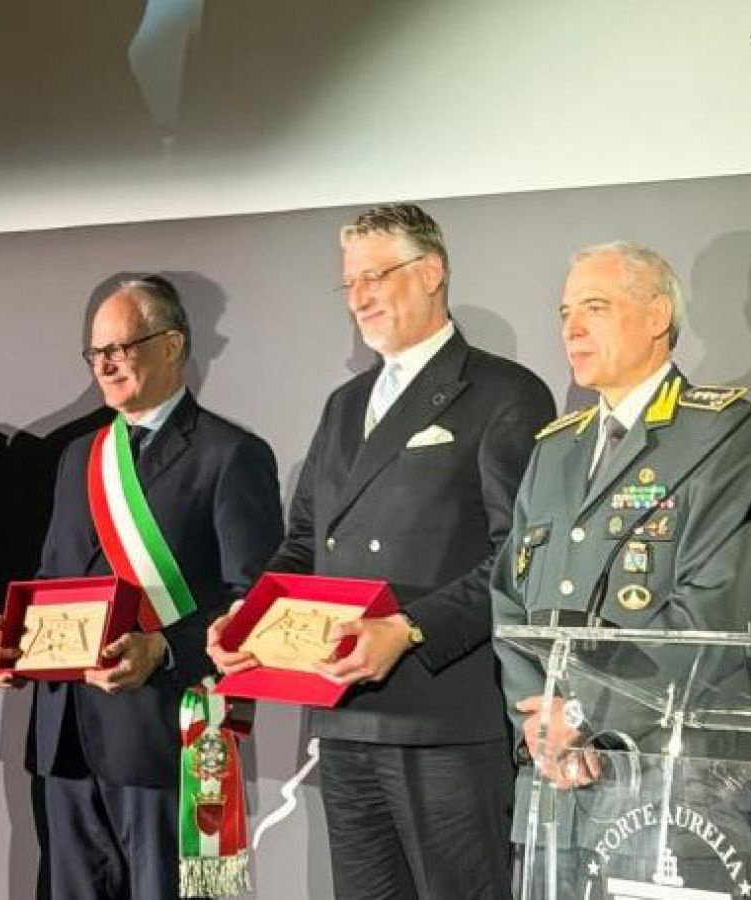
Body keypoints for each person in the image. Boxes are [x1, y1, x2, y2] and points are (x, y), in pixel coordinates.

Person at [209, 204, 555, 900]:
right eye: (350, 283)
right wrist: (250, 616)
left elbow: (520, 559)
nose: (359, 297)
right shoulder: (345, 404)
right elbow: (305, 542)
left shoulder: (505, 394)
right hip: (345, 717)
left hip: (443, 721)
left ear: (431, 272)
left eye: (376, 276)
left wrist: (410, 627)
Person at [0, 275, 283, 899]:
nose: (105, 364)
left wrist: (165, 648)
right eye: (95, 352)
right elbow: (53, 580)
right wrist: (12, 638)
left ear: (172, 344)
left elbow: (253, 604)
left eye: (120, 347)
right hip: (65, 739)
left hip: (164, 737)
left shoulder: (230, 455)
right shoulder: (78, 456)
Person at [490, 242, 751, 891]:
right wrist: (538, 722)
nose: (571, 328)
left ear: (656, 316)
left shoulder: (725, 434)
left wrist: (583, 715)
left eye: (594, 307)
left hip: (675, 788)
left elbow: (711, 609)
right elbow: (510, 599)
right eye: (565, 312)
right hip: (555, 794)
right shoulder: (555, 449)